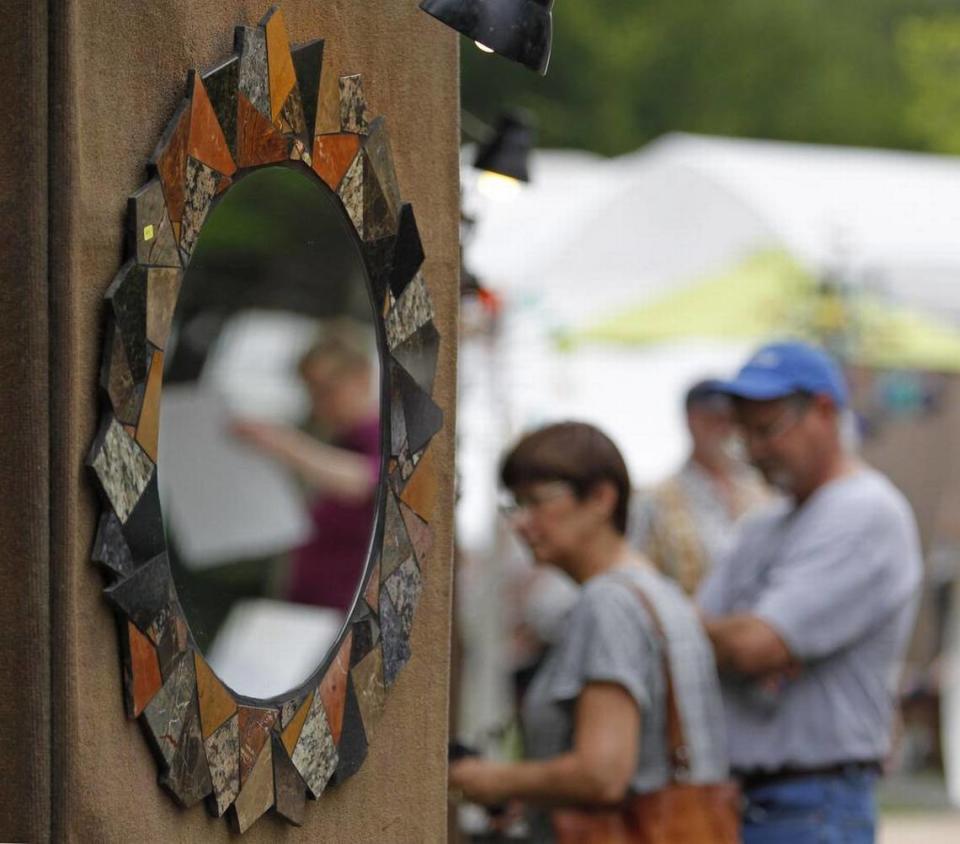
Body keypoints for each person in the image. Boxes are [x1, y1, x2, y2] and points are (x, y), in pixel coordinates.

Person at [449, 422, 729, 843]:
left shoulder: (608, 604)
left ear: (601, 498)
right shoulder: (659, 593)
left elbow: (602, 775)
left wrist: (494, 780)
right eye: (514, 505)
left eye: (537, 502)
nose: (522, 523)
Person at [698, 340, 923, 843]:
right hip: (751, 798)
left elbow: (755, 646)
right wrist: (717, 634)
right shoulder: (763, 525)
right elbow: (696, 632)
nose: (755, 450)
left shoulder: (864, 512)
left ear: (824, 411)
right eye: (744, 435)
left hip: (815, 804)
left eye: (767, 429)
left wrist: (723, 635)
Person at [233, 322, 380, 612]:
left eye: (327, 390)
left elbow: (368, 481)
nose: (319, 406)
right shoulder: (340, 442)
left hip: (340, 614)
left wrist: (282, 443)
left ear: (362, 376)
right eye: (312, 393)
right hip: (308, 608)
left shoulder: (381, 435)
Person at [630, 379, 769, 594]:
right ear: (690, 420)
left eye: (730, 419)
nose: (724, 427)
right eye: (712, 418)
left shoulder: (764, 489)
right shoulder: (655, 499)